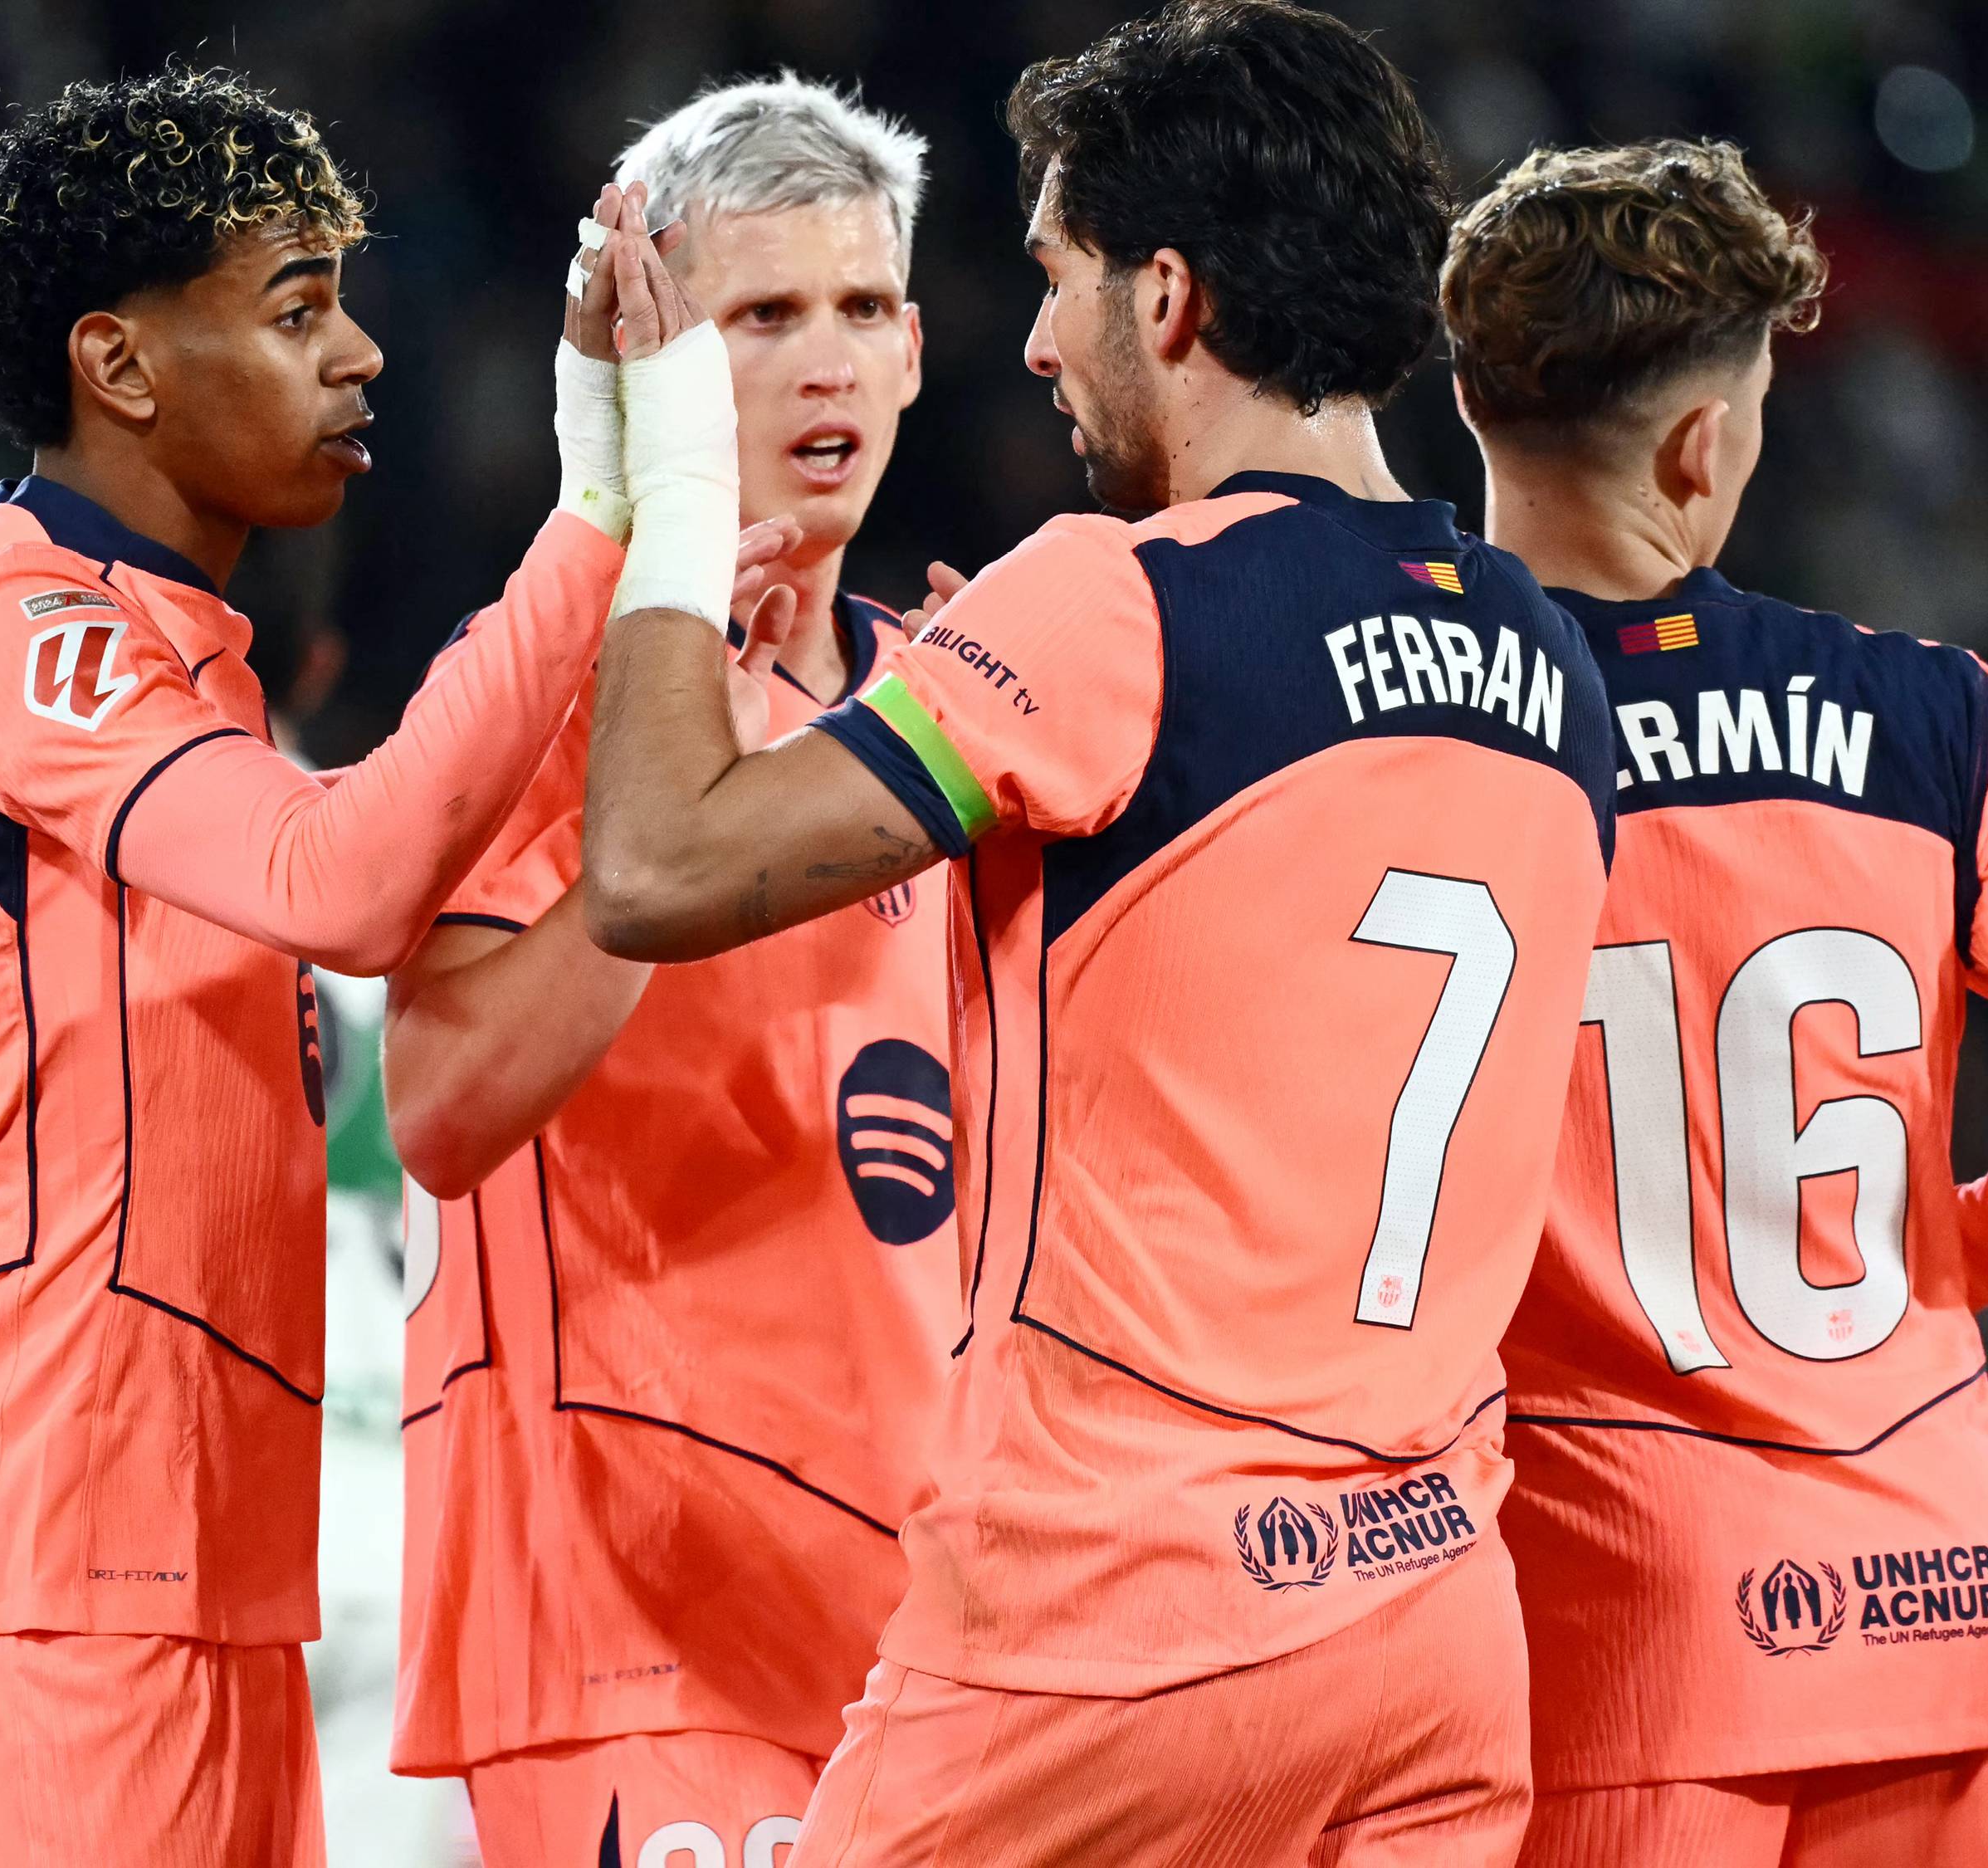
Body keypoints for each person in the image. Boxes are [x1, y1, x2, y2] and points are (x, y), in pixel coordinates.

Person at [569, 5, 1621, 1858]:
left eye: (1059, 280)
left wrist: (668, 481)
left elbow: (655, 867)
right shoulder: (1549, 660)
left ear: (1171, 297)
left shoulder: (1111, 603)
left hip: (1118, 1608)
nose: (1037, 343)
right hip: (1434, 1629)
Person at [0, 66, 736, 1864]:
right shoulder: (22, 626)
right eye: (296, 311)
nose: (360, 353)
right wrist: (607, 506)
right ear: (119, 363)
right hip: (32, 1561)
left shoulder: (188, 658)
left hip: (193, 1564)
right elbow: (350, 880)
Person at [1438, 139, 1988, 1866]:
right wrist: (1940, 1250)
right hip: (1931, 1613)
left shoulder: (1399, 731)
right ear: (1704, 442)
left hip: (1610, 1649)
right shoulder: (1932, 715)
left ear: (1467, 399)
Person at [378, 76, 958, 1868]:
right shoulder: (549, 688)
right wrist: (687, 777)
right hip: (645, 1627)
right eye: (761, 317)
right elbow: (442, 1104)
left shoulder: (955, 695)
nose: (825, 361)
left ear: (917, 351)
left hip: (934, 1631)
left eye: (860, 307)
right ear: (658, 365)